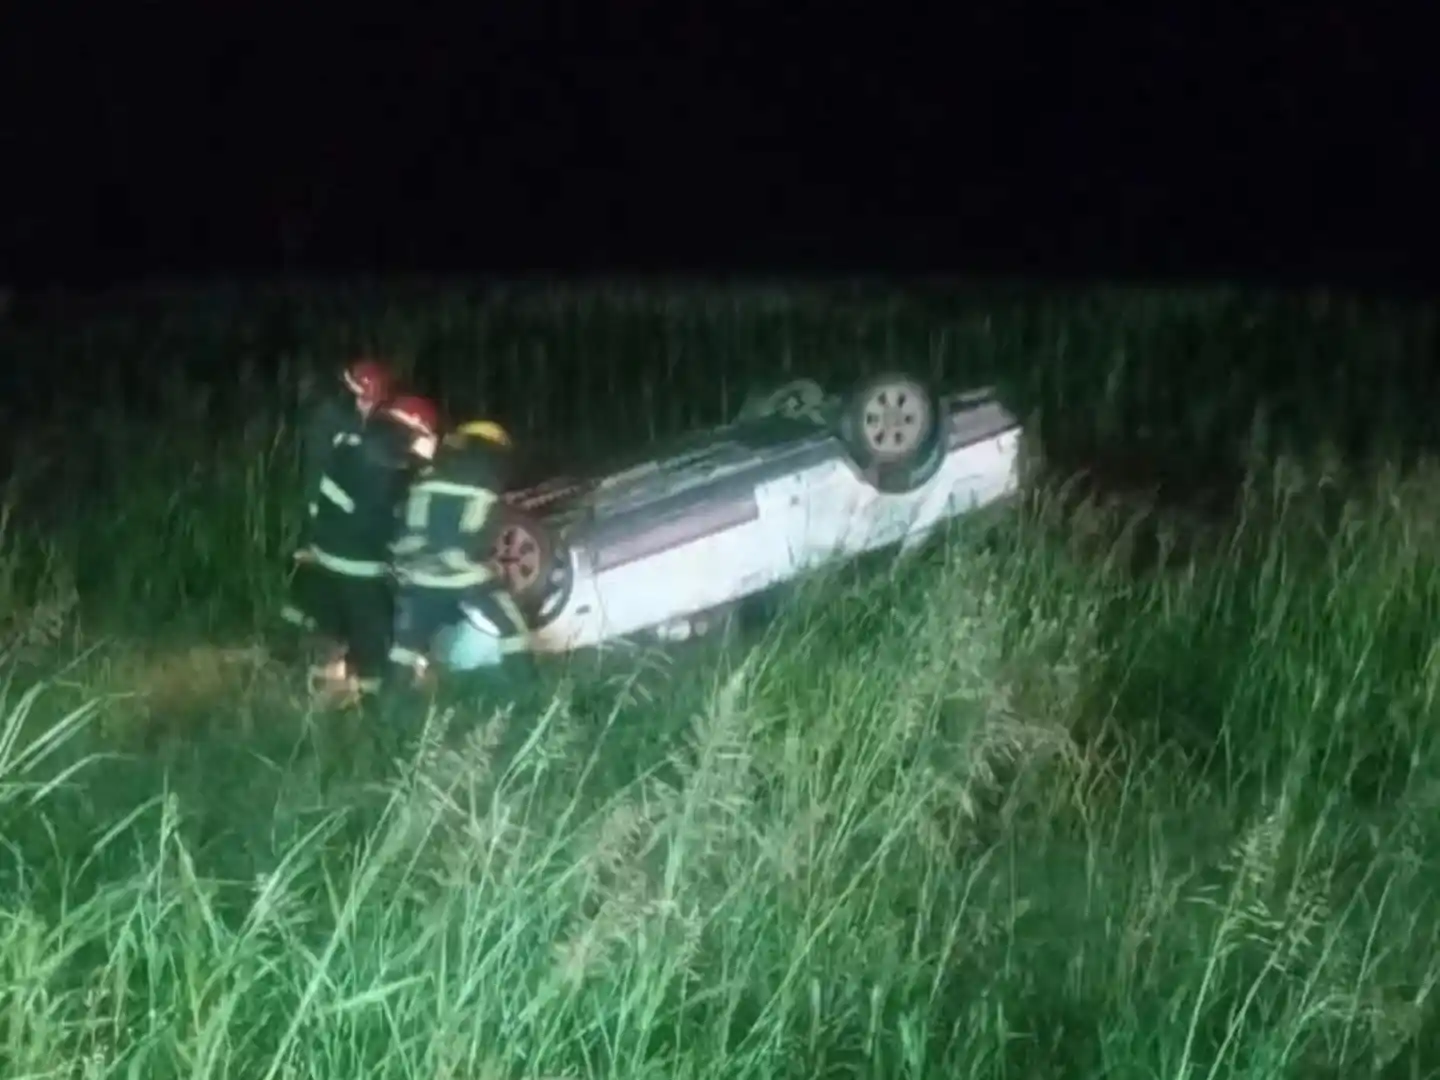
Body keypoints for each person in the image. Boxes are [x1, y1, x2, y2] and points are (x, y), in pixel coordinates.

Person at [304, 393, 441, 701]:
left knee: (343, 625)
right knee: (374, 636)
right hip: (358, 562)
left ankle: (326, 676)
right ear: (415, 430)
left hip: (326, 551)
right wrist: (423, 463)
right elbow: (394, 509)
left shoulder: (354, 442)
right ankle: (372, 705)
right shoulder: (388, 459)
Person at [388, 419, 527, 684]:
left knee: (406, 643)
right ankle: (528, 690)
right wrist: (489, 569)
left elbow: (408, 529)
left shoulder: (426, 477)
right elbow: (476, 538)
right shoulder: (486, 485)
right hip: (464, 576)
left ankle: (389, 705)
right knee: (511, 626)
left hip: (420, 577)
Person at [281, 357, 398, 636]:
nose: (370, 407)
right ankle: (297, 632)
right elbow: (317, 466)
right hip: (323, 505)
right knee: (316, 567)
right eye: (367, 401)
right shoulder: (331, 417)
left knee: (328, 574)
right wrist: (318, 507)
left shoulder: (364, 421)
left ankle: (318, 631)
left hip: (339, 511)